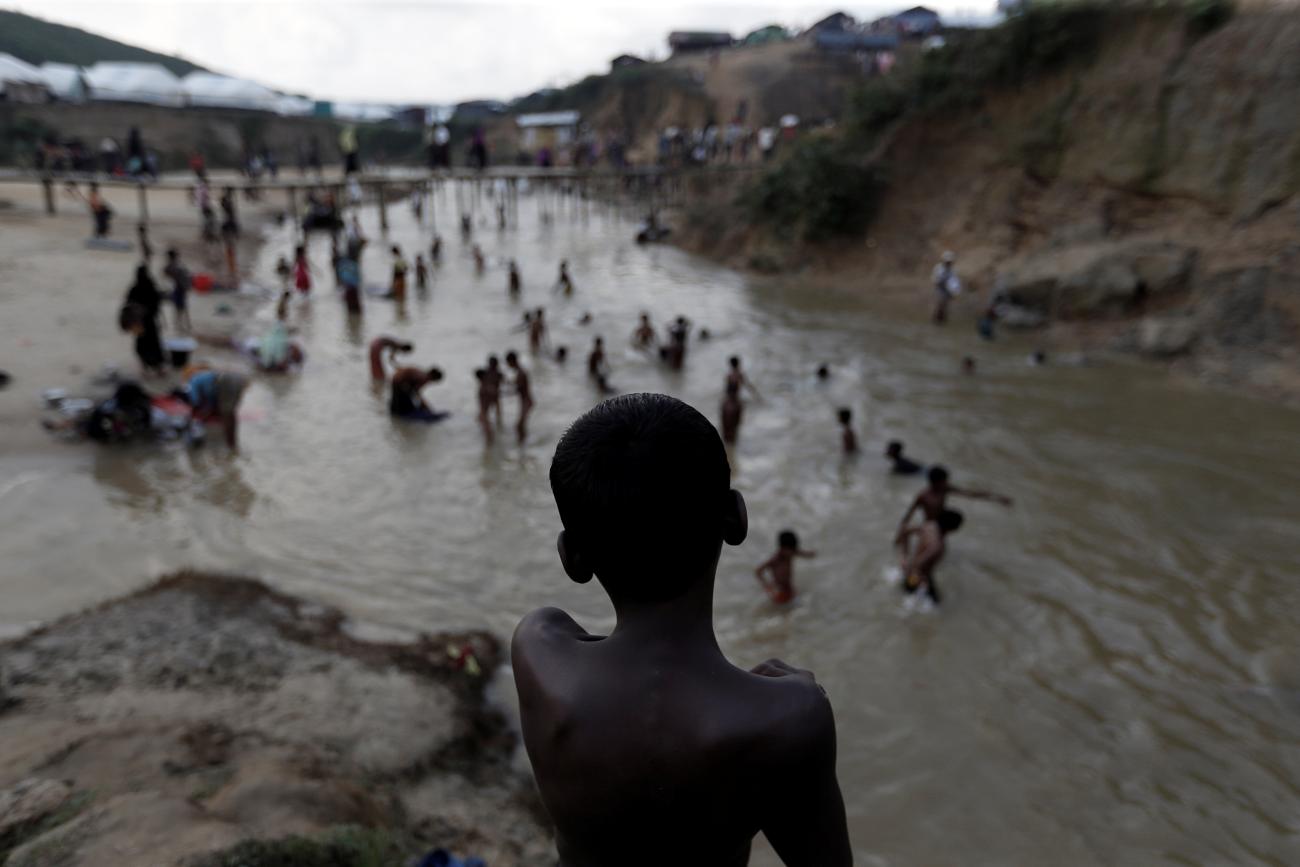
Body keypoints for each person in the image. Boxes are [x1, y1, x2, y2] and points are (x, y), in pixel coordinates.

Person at [512, 394, 850, 867]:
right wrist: (781, 706)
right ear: (736, 519)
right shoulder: (790, 720)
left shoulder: (536, 650)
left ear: (572, 557)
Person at [894, 465, 1011, 546]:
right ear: (936, 481)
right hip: (929, 528)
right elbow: (908, 515)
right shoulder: (923, 496)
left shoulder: (944, 489)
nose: (946, 482)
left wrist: (997, 498)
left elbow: (970, 494)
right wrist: (899, 536)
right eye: (944, 480)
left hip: (942, 527)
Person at [897, 508, 964, 605]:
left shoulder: (929, 526)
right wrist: (922, 582)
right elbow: (918, 565)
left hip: (912, 573)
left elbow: (905, 530)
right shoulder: (937, 546)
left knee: (907, 599)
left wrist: (904, 556)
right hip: (918, 578)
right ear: (952, 528)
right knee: (934, 605)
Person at [186, 368, 250, 449]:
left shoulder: (193, 384)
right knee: (231, 412)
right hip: (235, 380)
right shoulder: (200, 378)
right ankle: (233, 442)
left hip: (227, 383)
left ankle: (231, 444)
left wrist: (204, 410)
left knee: (226, 414)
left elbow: (199, 399)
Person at [755, 529, 817, 605]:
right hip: (779, 591)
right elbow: (758, 571)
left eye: (793, 550)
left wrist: (811, 554)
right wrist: (767, 586)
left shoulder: (791, 552)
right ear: (782, 548)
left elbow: (802, 553)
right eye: (790, 550)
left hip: (789, 588)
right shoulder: (775, 560)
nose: (792, 553)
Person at [119, 303, 165, 377]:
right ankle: (149, 368)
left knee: (151, 350)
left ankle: (157, 368)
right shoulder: (134, 314)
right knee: (142, 349)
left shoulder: (147, 322)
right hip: (144, 331)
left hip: (149, 333)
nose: (132, 332)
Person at [504, 351, 533, 443]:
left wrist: (504, 393)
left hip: (526, 402)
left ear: (512, 361)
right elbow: (518, 384)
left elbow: (518, 389)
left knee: (519, 426)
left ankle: (522, 443)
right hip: (525, 401)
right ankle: (523, 443)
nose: (508, 365)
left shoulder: (521, 373)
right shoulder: (520, 372)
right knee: (520, 426)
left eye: (508, 362)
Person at [163, 248, 192, 333]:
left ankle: (181, 325)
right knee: (182, 306)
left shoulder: (173, 265)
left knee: (179, 307)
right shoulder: (178, 264)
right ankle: (185, 324)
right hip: (182, 286)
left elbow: (166, 272)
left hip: (180, 287)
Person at [931, 251, 958, 325]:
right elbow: (935, 280)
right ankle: (936, 320)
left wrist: (954, 291)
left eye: (950, 262)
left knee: (945, 306)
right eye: (947, 261)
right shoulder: (938, 268)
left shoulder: (952, 270)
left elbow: (954, 282)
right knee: (939, 305)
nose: (948, 263)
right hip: (939, 289)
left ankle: (942, 320)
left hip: (947, 291)